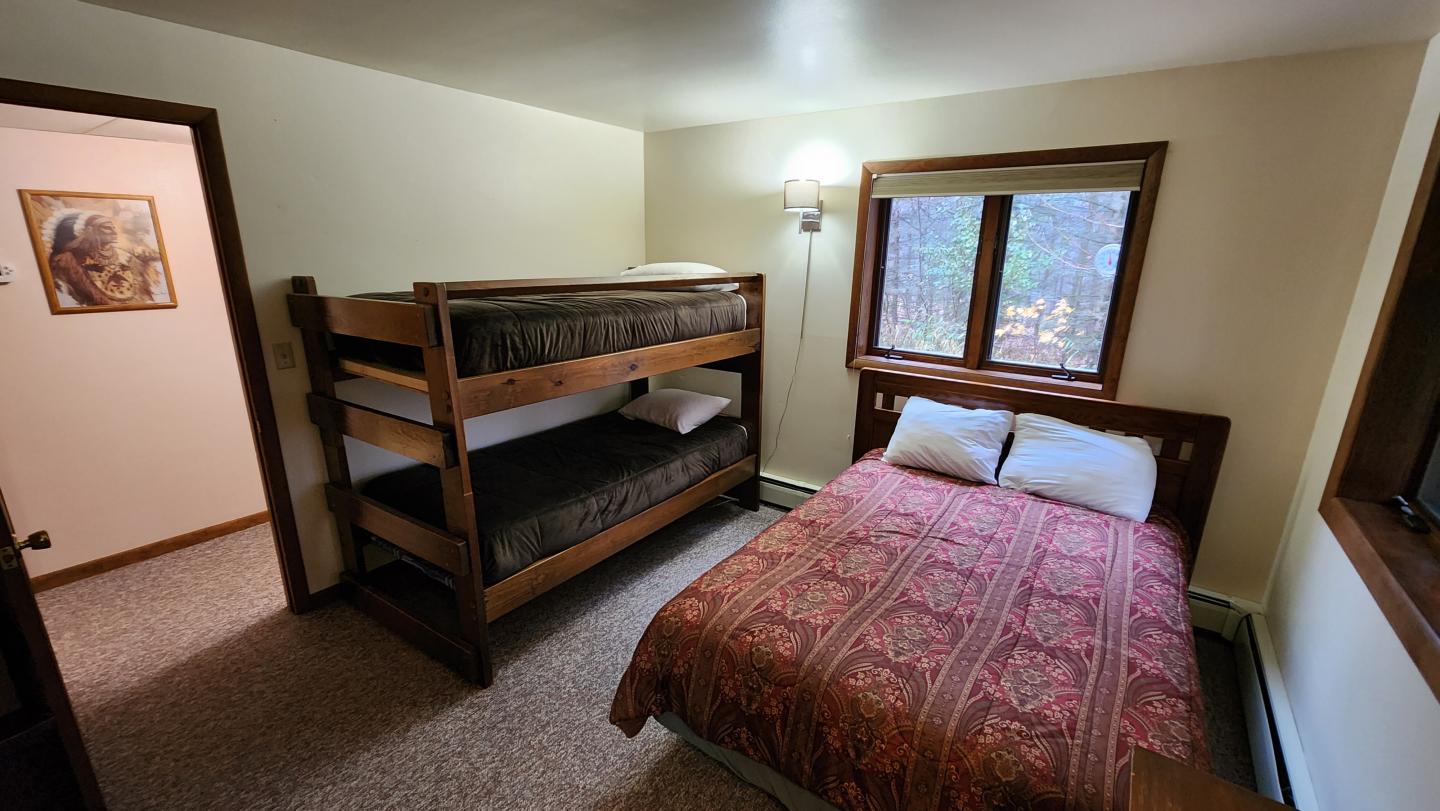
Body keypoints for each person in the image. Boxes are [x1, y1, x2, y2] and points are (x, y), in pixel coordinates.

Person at [44, 210, 163, 306]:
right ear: (91, 230)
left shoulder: (126, 256)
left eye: (113, 227)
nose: (113, 231)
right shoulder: (69, 260)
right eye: (107, 228)